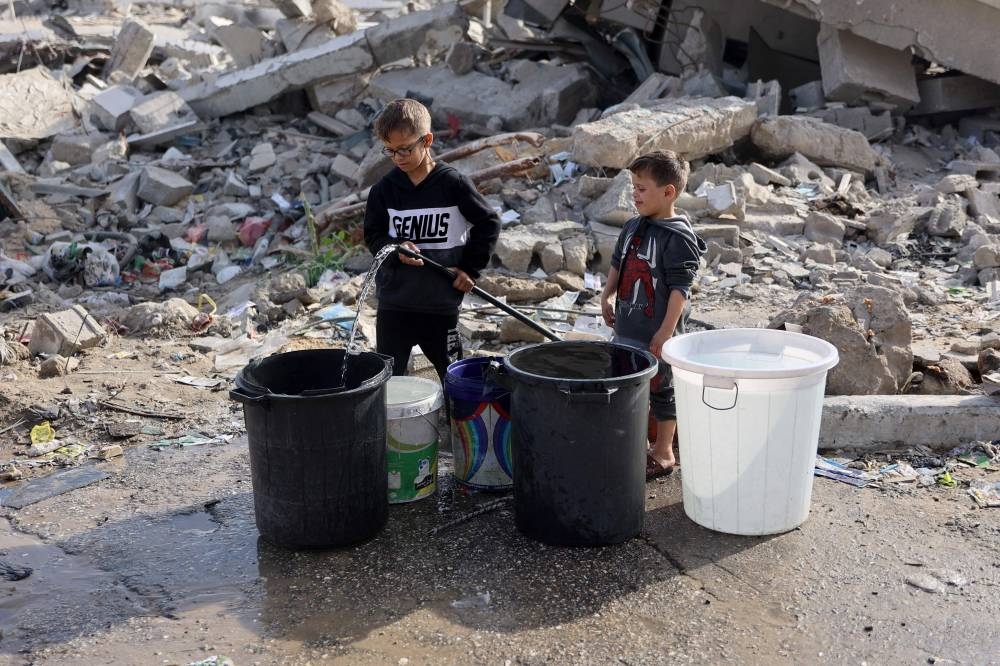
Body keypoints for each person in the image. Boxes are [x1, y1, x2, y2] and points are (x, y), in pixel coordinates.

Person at [363, 98, 501, 382]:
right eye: (390, 151)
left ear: (427, 140)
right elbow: (374, 235)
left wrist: (469, 269)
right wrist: (395, 249)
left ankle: (458, 425)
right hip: (395, 303)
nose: (398, 157)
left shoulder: (453, 184)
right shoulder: (383, 191)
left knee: (454, 377)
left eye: (405, 149)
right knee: (387, 381)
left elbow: (488, 222)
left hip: (440, 304)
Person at [600, 150, 707, 480]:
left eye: (642, 189)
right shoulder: (633, 226)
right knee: (627, 384)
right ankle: (632, 441)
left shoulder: (677, 238)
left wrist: (665, 333)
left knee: (663, 388)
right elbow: (618, 263)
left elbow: (680, 290)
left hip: (657, 332)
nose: (635, 195)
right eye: (633, 187)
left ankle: (663, 452)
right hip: (627, 327)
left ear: (668, 192)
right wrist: (606, 295)